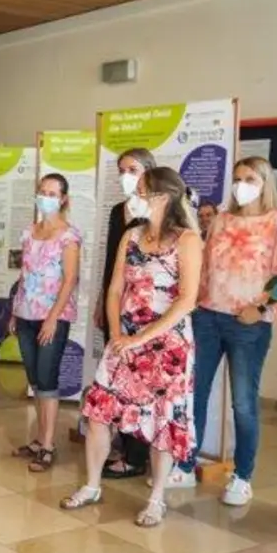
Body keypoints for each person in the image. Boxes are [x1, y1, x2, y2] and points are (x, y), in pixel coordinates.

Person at [62, 168, 202, 528]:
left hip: (167, 346)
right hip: (123, 340)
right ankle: (92, 484)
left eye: (142, 190)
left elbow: (186, 300)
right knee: (98, 413)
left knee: (162, 422)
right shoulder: (132, 236)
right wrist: (115, 333)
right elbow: (113, 289)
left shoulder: (187, 239)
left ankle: (156, 499)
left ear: (163, 197)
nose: (134, 196)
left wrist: (140, 338)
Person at [192, 157, 277, 507]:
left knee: (243, 403)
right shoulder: (222, 219)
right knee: (194, 393)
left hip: (248, 324)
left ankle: (242, 476)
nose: (242, 184)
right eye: (237, 178)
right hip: (208, 316)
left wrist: (264, 308)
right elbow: (207, 265)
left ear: (265, 182)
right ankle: (182, 462)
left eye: (250, 178)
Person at [6, 173, 81, 472]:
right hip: (25, 314)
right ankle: (38, 440)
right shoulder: (28, 233)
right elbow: (23, 276)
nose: (46, 196)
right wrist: (14, 310)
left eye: (52, 192)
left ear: (63, 198)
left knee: (48, 380)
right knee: (35, 379)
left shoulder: (69, 236)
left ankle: (48, 446)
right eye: (42, 191)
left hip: (53, 317)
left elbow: (70, 279)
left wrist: (52, 319)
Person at [95, 147, 160, 483]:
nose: (126, 175)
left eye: (132, 169)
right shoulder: (117, 211)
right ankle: (124, 446)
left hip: (147, 312)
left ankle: (138, 456)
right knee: (118, 380)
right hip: (116, 306)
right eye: (122, 169)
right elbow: (111, 264)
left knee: (141, 381)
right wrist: (102, 304)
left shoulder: (160, 210)